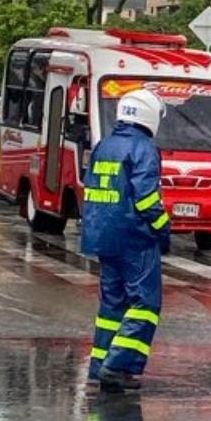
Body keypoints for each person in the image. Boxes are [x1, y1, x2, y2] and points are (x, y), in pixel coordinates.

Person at [80, 89, 169, 393]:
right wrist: (163, 228)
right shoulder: (143, 148)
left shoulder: (104, 145)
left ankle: (98, 371)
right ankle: (116, 366)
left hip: (103, 236)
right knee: (145, 304)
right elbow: (146, 199)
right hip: (135, 238)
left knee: (112, 306)